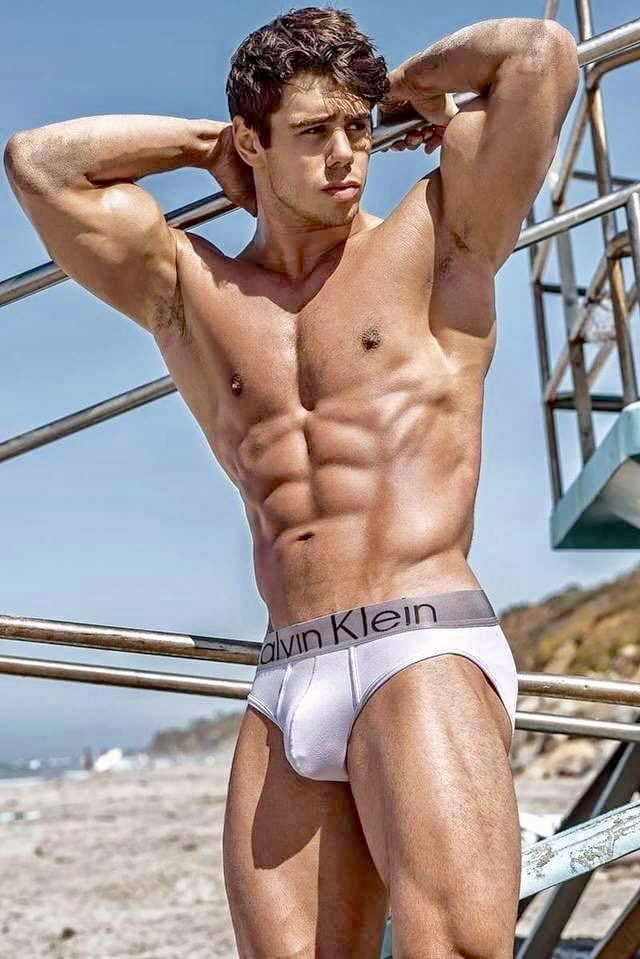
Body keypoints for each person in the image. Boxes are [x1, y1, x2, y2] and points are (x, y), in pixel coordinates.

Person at [4, 7, 578, 956]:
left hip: (418, 640)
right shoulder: (192, 292)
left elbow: (539, 55)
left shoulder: (440, 235)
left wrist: (406, 90)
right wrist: (201, 149)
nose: (348, 156)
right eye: (313, 133)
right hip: (287, 674)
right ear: (253, 143)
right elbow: (39, 163)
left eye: (357, 128)